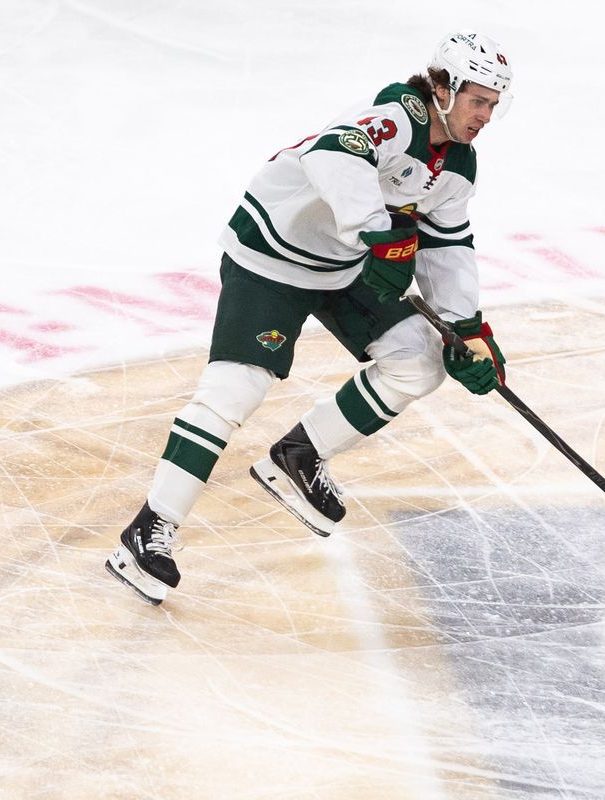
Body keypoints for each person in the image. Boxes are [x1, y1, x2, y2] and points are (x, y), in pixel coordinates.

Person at [105, 31, 514, 605]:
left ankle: (299, 456)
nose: (487, 116)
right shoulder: (396, 115)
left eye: (495, 104)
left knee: (419, 360)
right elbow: (332, 153)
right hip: (271, 254)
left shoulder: (459, 166)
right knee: (236, 390)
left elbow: (446, 244)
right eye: (479, 100)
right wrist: (378, 232)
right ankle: (147, 530)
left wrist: (466, 327)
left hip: (343, 265)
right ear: (443, 89)